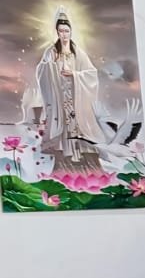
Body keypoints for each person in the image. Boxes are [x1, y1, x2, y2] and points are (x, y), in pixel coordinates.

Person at [23, 11, 109, 174]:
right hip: (60, 100)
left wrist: (75, 75)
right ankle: (66, 162)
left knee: (78, 128)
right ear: (57, 32)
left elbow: (91, 74)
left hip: (77, 99)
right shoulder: (51, 51)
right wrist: (50, 67)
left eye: (67, 31)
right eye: (61, 31)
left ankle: (84, 162)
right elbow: (41, 70)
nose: (64, 34)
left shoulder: (78, 53)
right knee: (64, 129)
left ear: (71, 31)